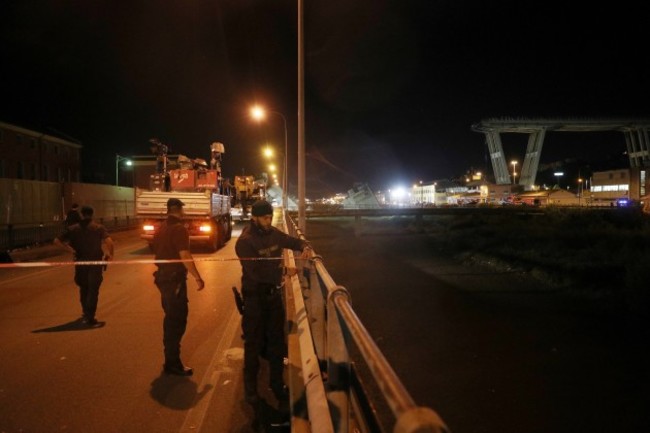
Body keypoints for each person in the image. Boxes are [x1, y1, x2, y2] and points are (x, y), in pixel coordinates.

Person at [235, 199, 312, 405]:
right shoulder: (245, 241)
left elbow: (292, 241)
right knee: (253, 345)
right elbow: (257, 273)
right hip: (255, 300)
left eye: (270, 217)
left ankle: (277, 384)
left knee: (277, 344)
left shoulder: (274, 234)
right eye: (264, 217)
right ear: (254, 218)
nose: (268, 221)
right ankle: (251, 391)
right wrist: (285, 270)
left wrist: (304, 246)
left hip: (273, 298)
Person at [152, 198, 205, 376]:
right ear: (179, 210)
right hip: (174, 280)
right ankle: (172, 363)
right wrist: (197, 277)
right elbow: (184, 254)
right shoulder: (179, 229)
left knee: (170, 318)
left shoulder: (161, 227)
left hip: (162, 277)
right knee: (176, 321)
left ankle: (171, 359)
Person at [54, 205, 114, 326]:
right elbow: (109, 242)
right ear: (92, 214)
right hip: (95, 263)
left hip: (80, 263)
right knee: (93, 290)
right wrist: (110, 255)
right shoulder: (98, 228)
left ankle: (85, 313)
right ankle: (90, 317)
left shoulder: (73, 228)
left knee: (84, 288)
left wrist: (70, 250)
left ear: (81, 214)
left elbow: (56, 241)